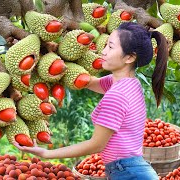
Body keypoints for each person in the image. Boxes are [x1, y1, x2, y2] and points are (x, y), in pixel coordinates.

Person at [14, 22, 168, 180]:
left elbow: (96, 144)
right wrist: (56, 59)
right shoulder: (128, 83)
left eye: (110, 47)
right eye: (106, 45)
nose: (103, 51)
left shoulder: (117, 95)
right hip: (131, 169)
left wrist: (47, 153)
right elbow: (87, 81)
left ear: (129, 57)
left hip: (129, 173)